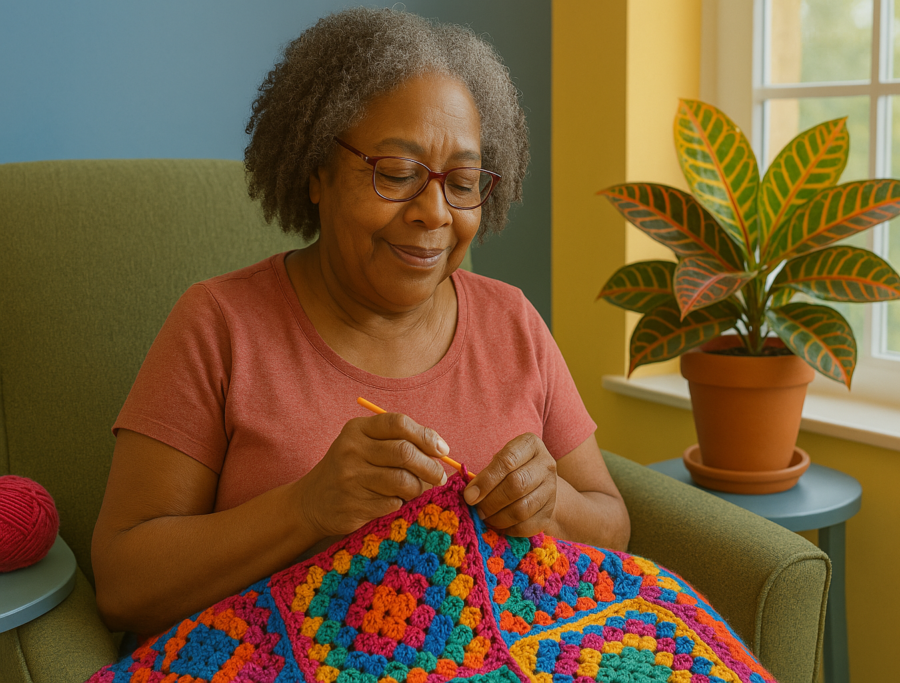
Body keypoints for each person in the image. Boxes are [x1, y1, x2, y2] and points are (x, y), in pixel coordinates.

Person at [91, 7, 630, 638]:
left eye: (461, 182)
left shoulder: (512, 320)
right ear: (316, 172)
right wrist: (304, 508)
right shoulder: (219, 326)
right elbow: (124, 587)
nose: (434, 213)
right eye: (396, 175)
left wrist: (552, 505)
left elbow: (612, 525)